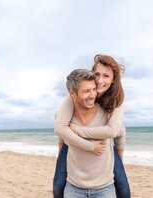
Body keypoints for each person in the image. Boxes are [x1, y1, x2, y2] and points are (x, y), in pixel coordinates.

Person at [53, 55, 130, 198]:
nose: (100, 81)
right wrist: (62, 143)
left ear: (113, 79)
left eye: (106, 76)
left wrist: (79, 131)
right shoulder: (78, 92)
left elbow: (115, 131)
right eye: (97, 74)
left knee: (124, 187)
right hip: (71, 142)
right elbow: (61, 124)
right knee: (57, 185)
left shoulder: (116, 98)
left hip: (109, 139)